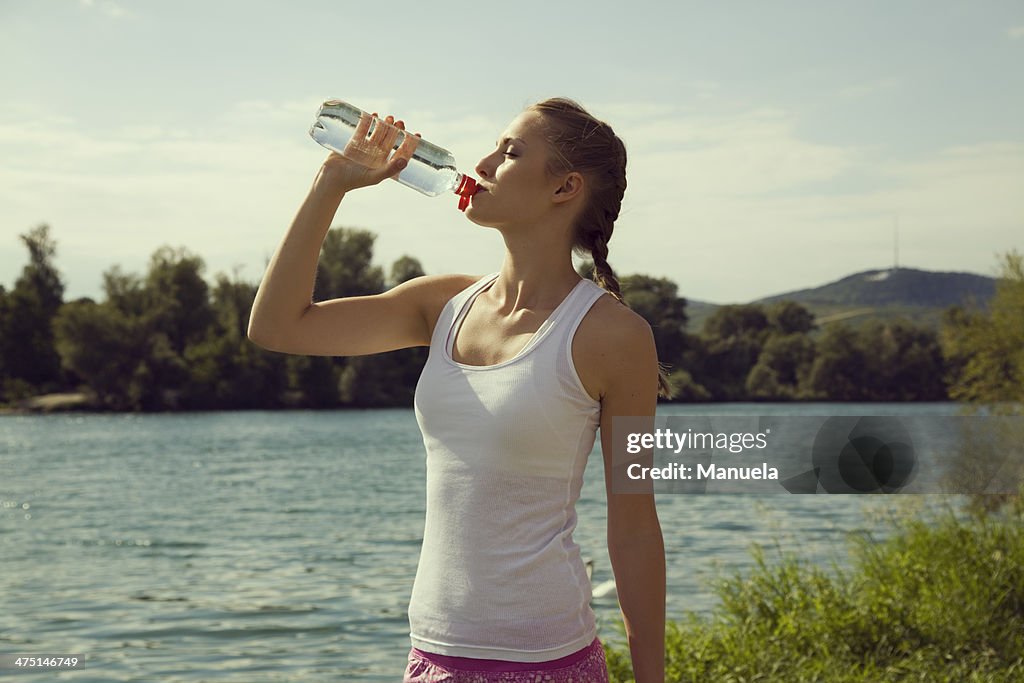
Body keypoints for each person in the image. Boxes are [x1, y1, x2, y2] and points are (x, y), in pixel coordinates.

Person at [248, 97, 666, 682]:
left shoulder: (615, 336)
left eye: (511, 152)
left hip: (547, 661)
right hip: (433, 655)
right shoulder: (441, 304)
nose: (483, 164)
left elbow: (635, 527)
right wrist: (332, 182)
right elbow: (277, 327)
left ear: (565, 187)